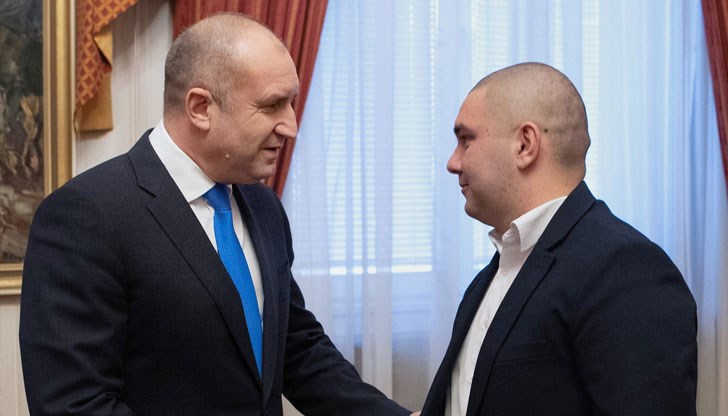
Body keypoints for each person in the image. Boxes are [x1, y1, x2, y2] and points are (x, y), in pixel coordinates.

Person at [19, 13, 411, 416]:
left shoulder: (263, 205)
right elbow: (73, 404)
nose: (291, 127)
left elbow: (295, 347)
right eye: (272, 105)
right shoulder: (87, 215)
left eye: (291, 104)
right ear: (200, 107)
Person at [417, 62, 697, 415]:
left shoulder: (625, 269)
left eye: (465, 140)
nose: (452, 162)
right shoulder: (489, 279)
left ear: (525, 144)